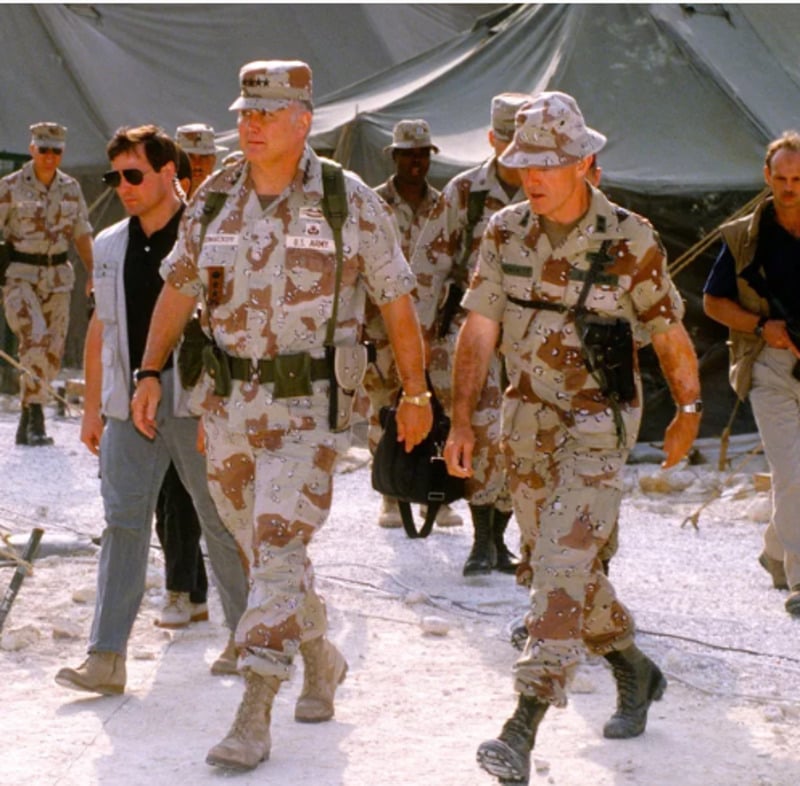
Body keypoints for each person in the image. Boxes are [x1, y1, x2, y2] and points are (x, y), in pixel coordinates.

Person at [129, 60, 431, 772]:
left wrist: (415, 392)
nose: (250, 125)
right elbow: (178, 288)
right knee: (262, 553)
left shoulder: (345, 199)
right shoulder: (215, 197)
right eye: (244, 113)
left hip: (309, 410)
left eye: (266, 114)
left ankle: (254, 711)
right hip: (229, 404)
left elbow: (396, 301)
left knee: (280, 546)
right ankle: (321, 657)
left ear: (304, 119)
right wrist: (149, 370)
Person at [443, 92, 701, 784]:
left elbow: (668, 330)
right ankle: (633, 668)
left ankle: (521, 725)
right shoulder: (503, 231)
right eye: (522, 159)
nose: (533, 173)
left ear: (586, 162)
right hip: (526, 421)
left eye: (550, 162)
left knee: (560, 564)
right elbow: (480, 329)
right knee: (554, 564)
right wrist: (462, 418)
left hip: (597, 421)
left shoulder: (630, 237)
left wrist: (690, 406)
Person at [54, 125, 248, 696]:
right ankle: (106, 658)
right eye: (115, 178)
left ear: (171, 172)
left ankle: (246, 638)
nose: (123, 187)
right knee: (123, 524)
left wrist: (223, 408)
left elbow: (232, 328)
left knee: (220, 520)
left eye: (134, 175)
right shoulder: (111, 244)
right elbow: (100, 328)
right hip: (127, 402)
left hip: (195, 398)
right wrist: (93, 408)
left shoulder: (211, 236)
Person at [411, 93, 530, 576]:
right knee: (478, 432)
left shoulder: (553, 189)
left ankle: (502, 539)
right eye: (506, 140)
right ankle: (483, 540)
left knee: (517, 434)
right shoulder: (466, 193)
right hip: (470, 331)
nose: (515, 152)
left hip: (529, 334)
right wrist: (415, 342)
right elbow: (427, 269)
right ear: (492, 139)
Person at [703, 130, 800, 616]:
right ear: (767, 177)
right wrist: (764, 327)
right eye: (780, 178)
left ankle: (776, 551)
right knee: (791, 472)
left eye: (798, 179)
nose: (789, 187)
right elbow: (712, 301)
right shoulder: (745, 236)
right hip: (770, 364)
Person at [364, 118, 461, 528]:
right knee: (385, 407)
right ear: (395, 156)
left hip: (434, 329)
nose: (417, 162)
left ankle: (434, 494)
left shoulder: (445, 207)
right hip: (384, 329)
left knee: (441, 408)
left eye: (423, 154)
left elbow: (457, 265)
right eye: (409, 154)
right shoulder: (372, 203)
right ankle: (390, 489)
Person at [0, 122, 94, 446]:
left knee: (52, 350)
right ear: (32, 149)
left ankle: (27, 414)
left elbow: (81, 232)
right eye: (44, 149)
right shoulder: (10, 187)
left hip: (58, 278)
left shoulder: (71, 188)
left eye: (56, 151)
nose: (50, 156)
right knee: (35, 338)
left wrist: (94, 272)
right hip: (20, 277)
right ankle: (37, 415)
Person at [175, 123, 227, 198]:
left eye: (204, 156)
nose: (197, 164)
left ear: (213, 160)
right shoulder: (162, 199)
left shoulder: (226, 199)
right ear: (177, 160)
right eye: (190, 156)